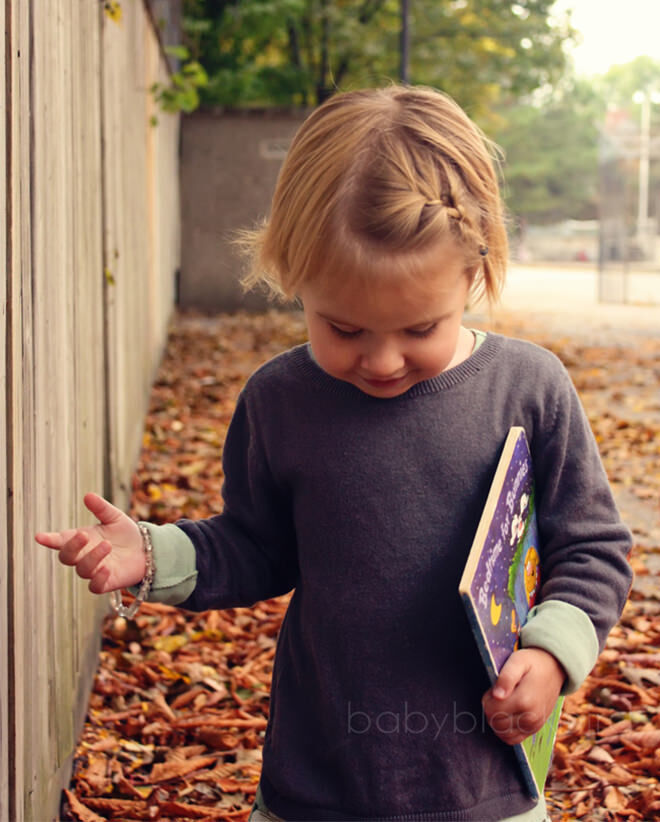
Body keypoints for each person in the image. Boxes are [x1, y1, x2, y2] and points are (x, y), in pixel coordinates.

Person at [36, 85, 632, 822]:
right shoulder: (281, 401)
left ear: (474, 271)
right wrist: (155, 557)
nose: (382, 361)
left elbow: (594, 545)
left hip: (485, 783)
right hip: (319, 780)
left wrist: (551, 653)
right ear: (293, 275)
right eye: (344, 328)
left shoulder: (529, 389)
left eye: (420, 328)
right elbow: (258, 546)